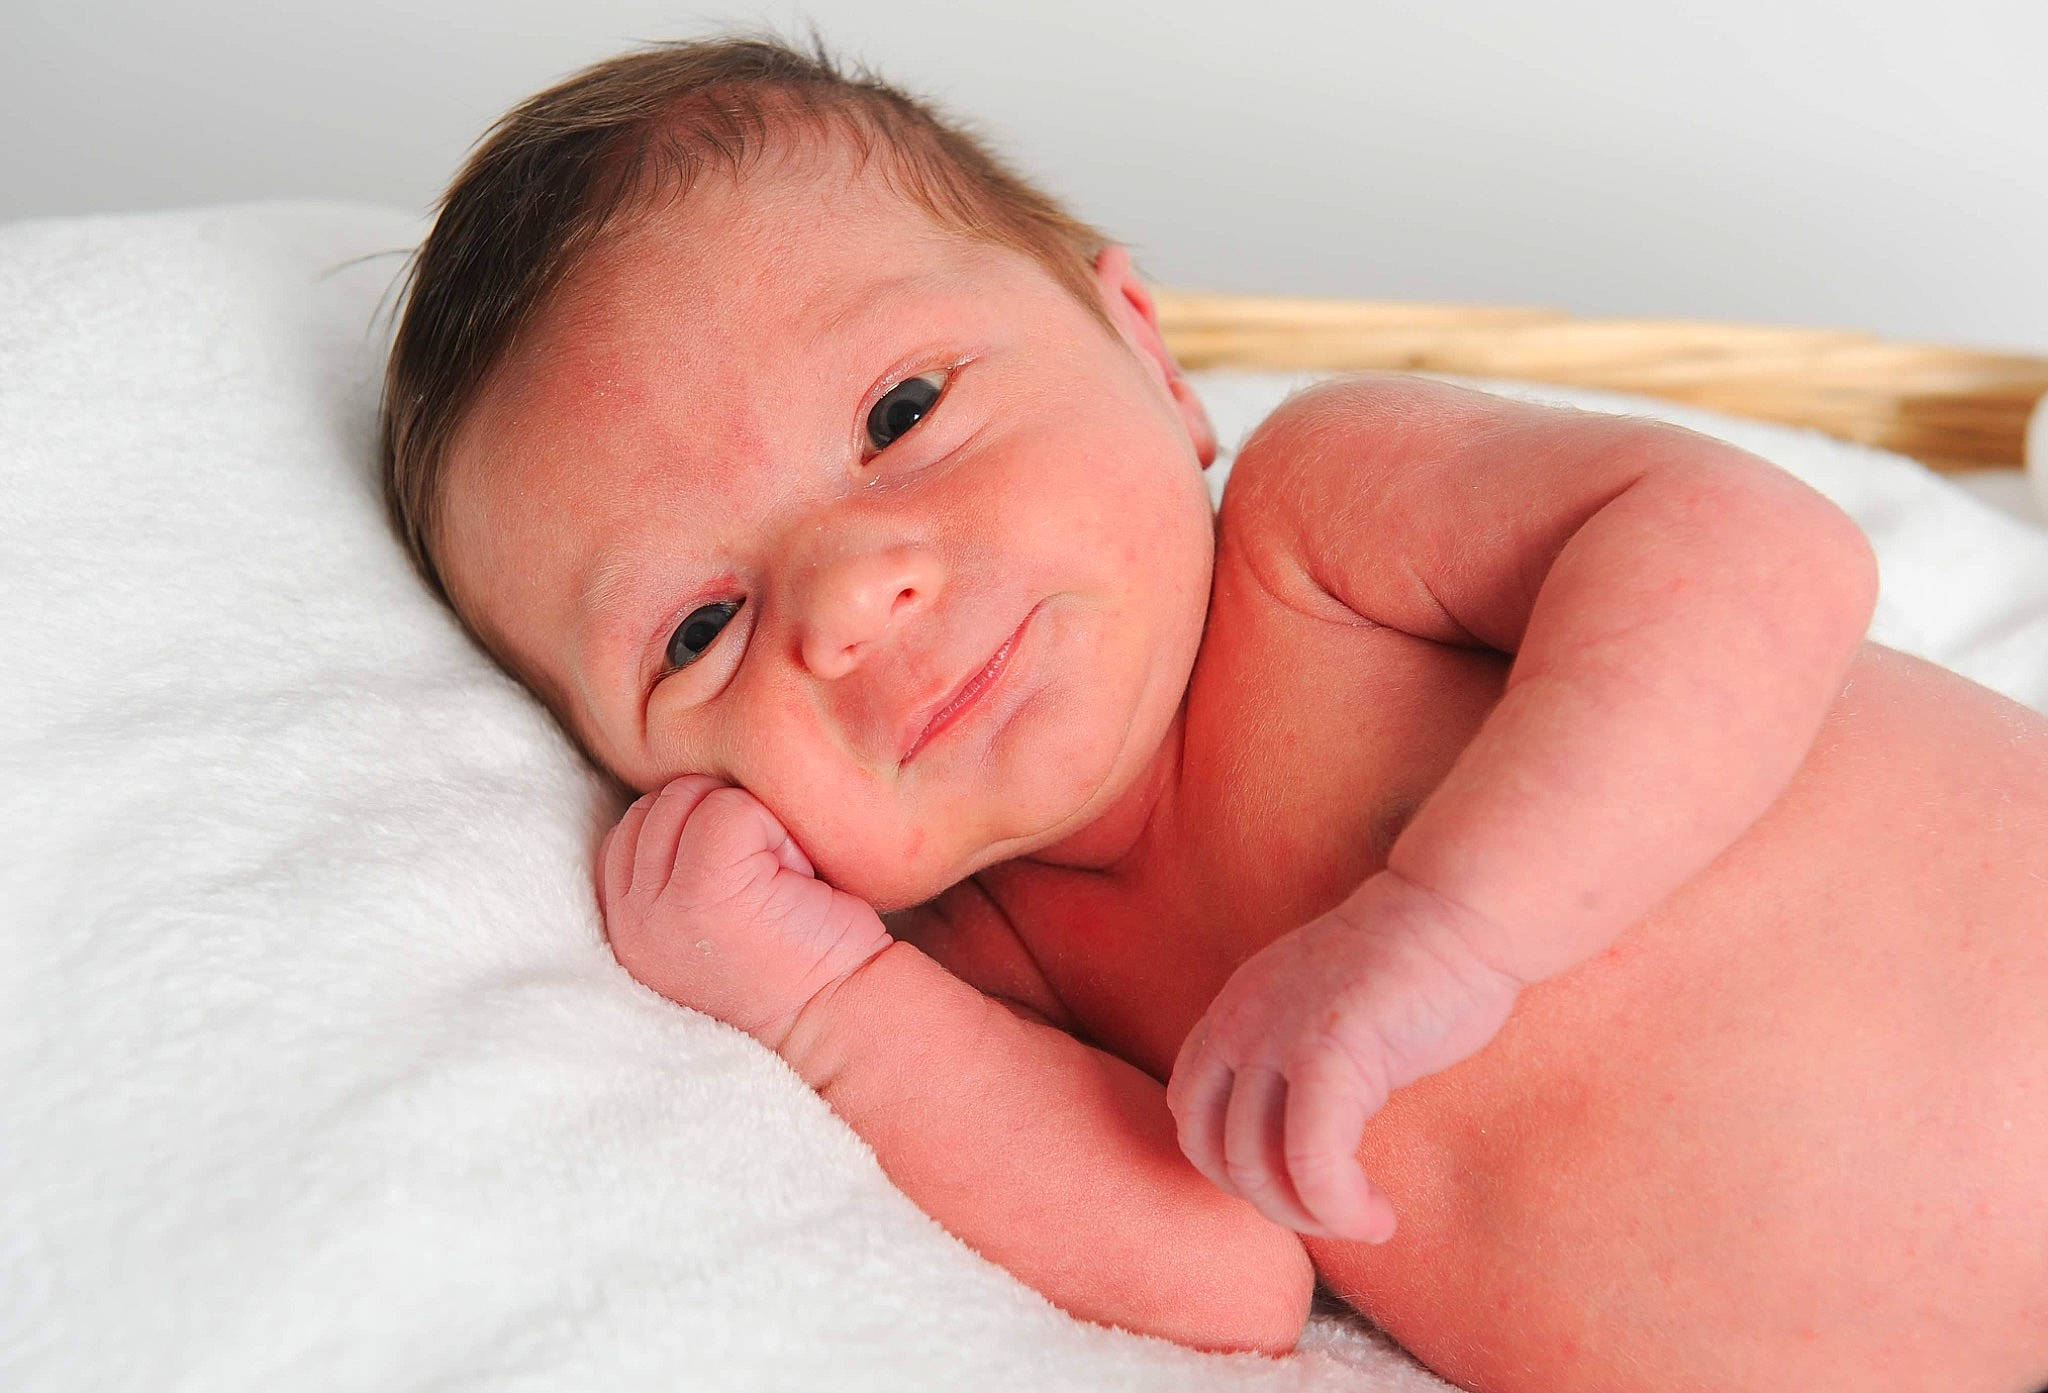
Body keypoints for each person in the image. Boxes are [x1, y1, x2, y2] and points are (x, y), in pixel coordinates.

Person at [381, 36, 2048, 1393]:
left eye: (899, 411)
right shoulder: (981, 966)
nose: (850, 597)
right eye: (699, 628)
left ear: (1145, 349)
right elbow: (1224, 1282)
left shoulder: (1317, 532)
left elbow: (1756, 555)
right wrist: (827, 1005)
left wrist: (1458, 918)